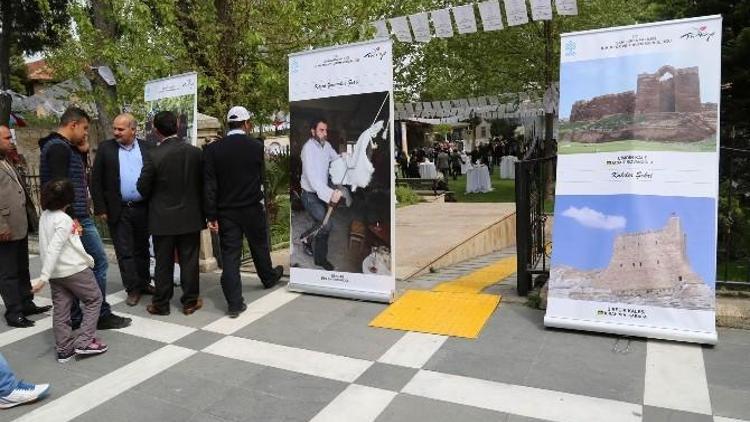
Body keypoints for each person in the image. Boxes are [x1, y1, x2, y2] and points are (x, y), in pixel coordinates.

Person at [39, 108, 131, 330]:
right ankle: (98, 312)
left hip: (73, 215)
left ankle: (79, 314)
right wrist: (72, 220)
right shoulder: (59, 148)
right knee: (98, 261)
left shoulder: (59, 147)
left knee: (75, 266)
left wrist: (81, 152)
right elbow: (60, 187)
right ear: (73, 125)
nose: (86, 134)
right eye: (85, 128)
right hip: (75, 217)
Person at [204, 106, 283, 318]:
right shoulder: (255, 146)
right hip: (251, 207)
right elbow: (261, 178)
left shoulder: (213, 150)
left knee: (231, 255)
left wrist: (211, 215)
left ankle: (234, 304)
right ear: (247, 124)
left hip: (226, 211)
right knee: (259, 245)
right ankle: (267, 277)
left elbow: (209, 185)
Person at [137, 111, 204, 316]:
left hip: (162, 218)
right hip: (190, 217)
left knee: (163, 263)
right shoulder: (195, 153)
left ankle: (161, 304)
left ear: (156, 130)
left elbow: (142, 187)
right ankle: (190, 302)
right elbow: (203, 184)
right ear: (177, 125)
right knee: (189, 261)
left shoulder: (153, 155)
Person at [35, 179, 108, 363]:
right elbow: (55, 247)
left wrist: (47, 274)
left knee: (61, 309)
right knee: (94, 299)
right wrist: (42, 278)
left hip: (57, 274)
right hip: (74, 269)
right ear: (69, 199)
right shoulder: (64, 219)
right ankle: (84, 342)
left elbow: (49, 247)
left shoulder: (44, 216)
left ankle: (64, 349)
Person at [91, 114, 155, 306]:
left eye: (121, 129)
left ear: (133, 130)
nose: (115, 132)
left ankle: (144, 282)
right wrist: (101, 208)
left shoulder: (147, 148)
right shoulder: (106, 149)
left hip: (143, 208)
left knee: (143, 249)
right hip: (118, 209)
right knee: (124, 250)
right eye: (115, 128)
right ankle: (132, 288)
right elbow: (96, 180)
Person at [0, 126, 51, 328]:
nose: (11, 141)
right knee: (8, 272)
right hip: (6, 227)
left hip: (18, 224)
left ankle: (26, 302)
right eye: (6, 138)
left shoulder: (7, 160)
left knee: (22, 268)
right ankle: (14, 312)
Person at [299, 118, 342, 271]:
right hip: (309, 195)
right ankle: (320, 260)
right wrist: (330, 193)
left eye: (325, 130)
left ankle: (306, 238)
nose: (324, 133)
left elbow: (336, 160)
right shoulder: (307, 149)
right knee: (326, 225)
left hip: (321, 193)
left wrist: (346, 159)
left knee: (323, 222)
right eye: (321, 130)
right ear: (313, 131)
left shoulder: (327, 146)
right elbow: (313, 179)